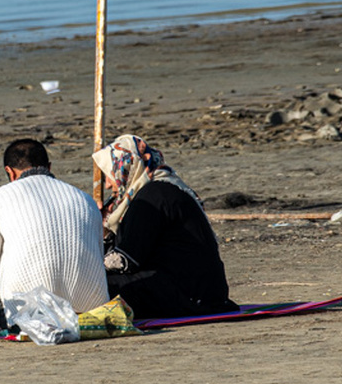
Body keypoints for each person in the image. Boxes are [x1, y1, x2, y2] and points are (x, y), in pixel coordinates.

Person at [0, 139, 110, 334]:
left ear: (10, 172)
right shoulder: (85, 199)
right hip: (91, 312)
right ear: (49, 167)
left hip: (29, 316)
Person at [92, 134, 238, 318]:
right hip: (200, 291)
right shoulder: (157, 190)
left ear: (125, 169)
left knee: (94, 289)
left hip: (188, 293)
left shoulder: (153, 196)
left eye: (109, 176)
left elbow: (126, 261)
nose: (107, 186)